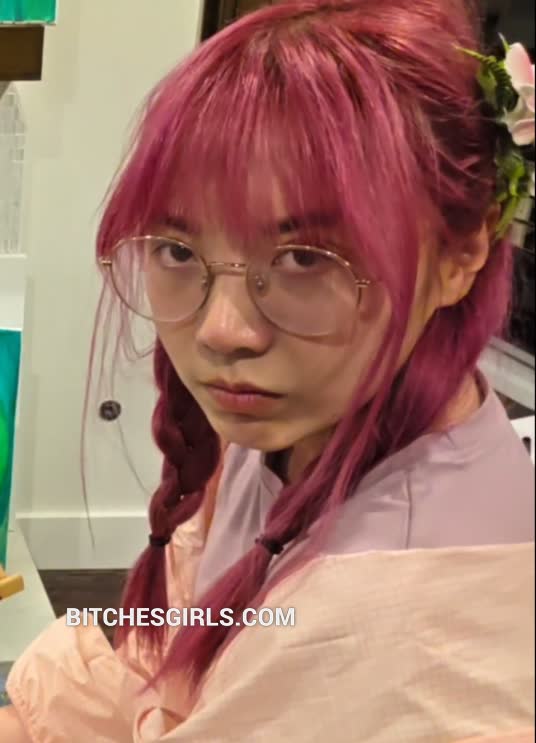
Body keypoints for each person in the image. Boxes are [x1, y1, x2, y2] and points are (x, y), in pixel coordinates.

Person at [1, 0, 534, 740]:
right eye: (177, 250)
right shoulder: (312, 420)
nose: (223, 331)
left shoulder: (391, 643)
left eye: (305, 259)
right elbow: (160, 654)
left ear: (461, 252)